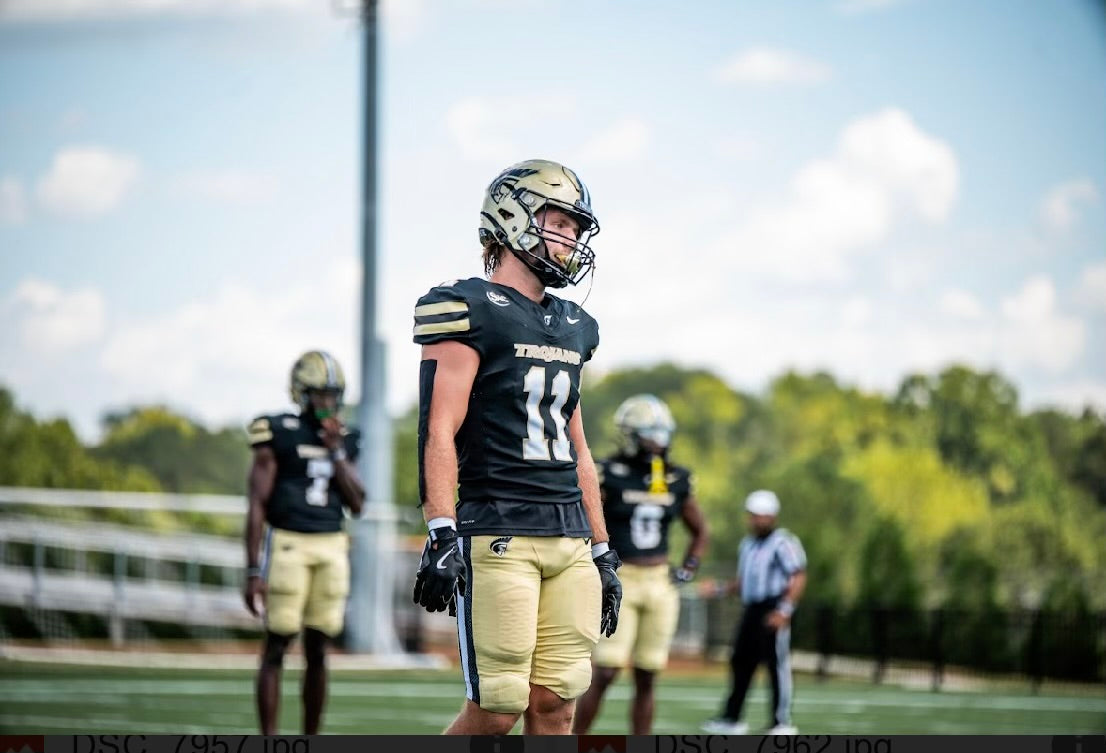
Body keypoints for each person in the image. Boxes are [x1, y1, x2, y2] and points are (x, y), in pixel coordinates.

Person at [410, 158, 622, 736]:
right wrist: (441, 528)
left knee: (557, 702)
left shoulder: (575, 325)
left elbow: (578, 448)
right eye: (561, 222)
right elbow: (439, 429)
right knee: (499, 707)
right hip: (499, 527)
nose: (572, 238)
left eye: (577, 227)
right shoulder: (468, 307)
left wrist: (602, 547)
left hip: (569, 534)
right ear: (513, 217)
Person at [243, 350, 365, 735]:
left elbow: (358, 503)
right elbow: (257, 503)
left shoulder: (345, 438)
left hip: (332, 545)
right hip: (289, 544)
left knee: (318, 649)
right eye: (320, 394)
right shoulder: (277, 430)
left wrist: (336, 451)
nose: (327, 402)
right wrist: (252, 569)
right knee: (277, 644)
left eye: (333, 395)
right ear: (301, 393)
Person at [572, 394, 709, 735]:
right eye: (650, 435)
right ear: (630, 435)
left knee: (648, 675)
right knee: (606, 671)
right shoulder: (607, 472)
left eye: (662, 435)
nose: (658, 443)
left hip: (660, 583)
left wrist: (689, 566)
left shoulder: (676, 477)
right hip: (622, 577)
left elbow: (700, 529)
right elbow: (584, 518)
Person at [701, 489, 806, 736]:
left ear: (771, 516)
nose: (754, 520)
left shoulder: (783, 543)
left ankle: (781, 721)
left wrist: (785, 609)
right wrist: (719, 589)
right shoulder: (748, 544)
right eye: (752, 515)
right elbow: (743, 583)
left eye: (759, 515)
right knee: (741, 661)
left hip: (774, 606)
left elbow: (798, 575)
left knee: (776, 665)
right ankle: (732, 717)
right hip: (752, 608)